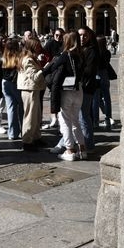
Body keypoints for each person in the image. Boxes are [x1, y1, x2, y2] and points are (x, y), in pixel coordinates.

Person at [44, 30, 85, 161]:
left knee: (65, 121)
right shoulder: (81, 54)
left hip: (67, 91)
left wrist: (44, 70)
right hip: (79, 90)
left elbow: (52, 67)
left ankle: (69, 150)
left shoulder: (65, 55)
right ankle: (82, 149)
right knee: (75, 121)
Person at [19, 38, 48, 150]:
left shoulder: (32, 58)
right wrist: (46, 68)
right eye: (37, 45)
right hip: (29, 89)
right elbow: (35, 77)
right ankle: (27, 141)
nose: (39, 47)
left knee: (36, 114)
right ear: (31, 47)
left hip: (34, 89)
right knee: (30, 116)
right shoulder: (27, 60)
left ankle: (36, 137)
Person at [77, 26, 100, 153]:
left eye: (85, 35)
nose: (82, 37)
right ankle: (86, 143)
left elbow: (89, 70)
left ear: (90, 36)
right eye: (80, 35)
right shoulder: (82, 49)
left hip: (87, 87)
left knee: (83, 116)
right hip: (83, 86)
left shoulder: (91, 50)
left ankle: (88, 144)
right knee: (82, 116)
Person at [0, 37, 23, 140]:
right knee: (21, 107)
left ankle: (12, 133)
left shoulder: (2, 58)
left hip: (5, 83)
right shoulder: (19, 58)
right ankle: (23, 131)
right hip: (16, 83)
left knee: (10, 108)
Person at [41, 28, 65, 130]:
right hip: (51, 71)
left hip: (61, 72)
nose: (58, 37)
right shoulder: (50, 43)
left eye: (60, 35)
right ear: (53, 35)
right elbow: (44, 54)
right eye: (56, 35)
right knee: (53, 92)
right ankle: (54, 116)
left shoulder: (64, 44)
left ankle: (59, 116)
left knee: (60, 94)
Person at [94, 35, 114, 131]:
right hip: (105, 75)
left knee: (96, 99)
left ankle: (95, 121)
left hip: (96, 75)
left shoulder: (95, 53)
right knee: (107, 98)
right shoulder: (107, 52)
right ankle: (108, 118)